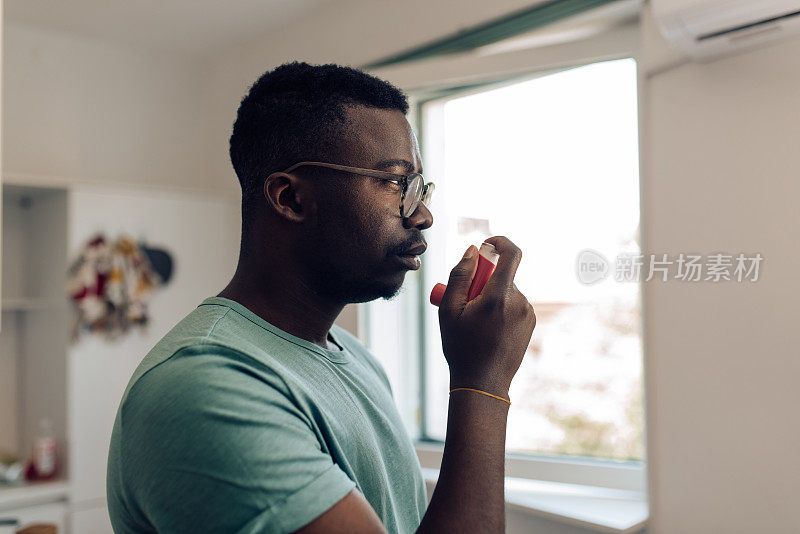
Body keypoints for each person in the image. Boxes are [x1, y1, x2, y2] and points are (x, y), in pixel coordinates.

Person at [106, 61, 536, 534]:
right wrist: (483, 383)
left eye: (419, 188)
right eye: (396, 182)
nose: (422, 215)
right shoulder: (205, 388)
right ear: (290, 199)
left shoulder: (356, 358)